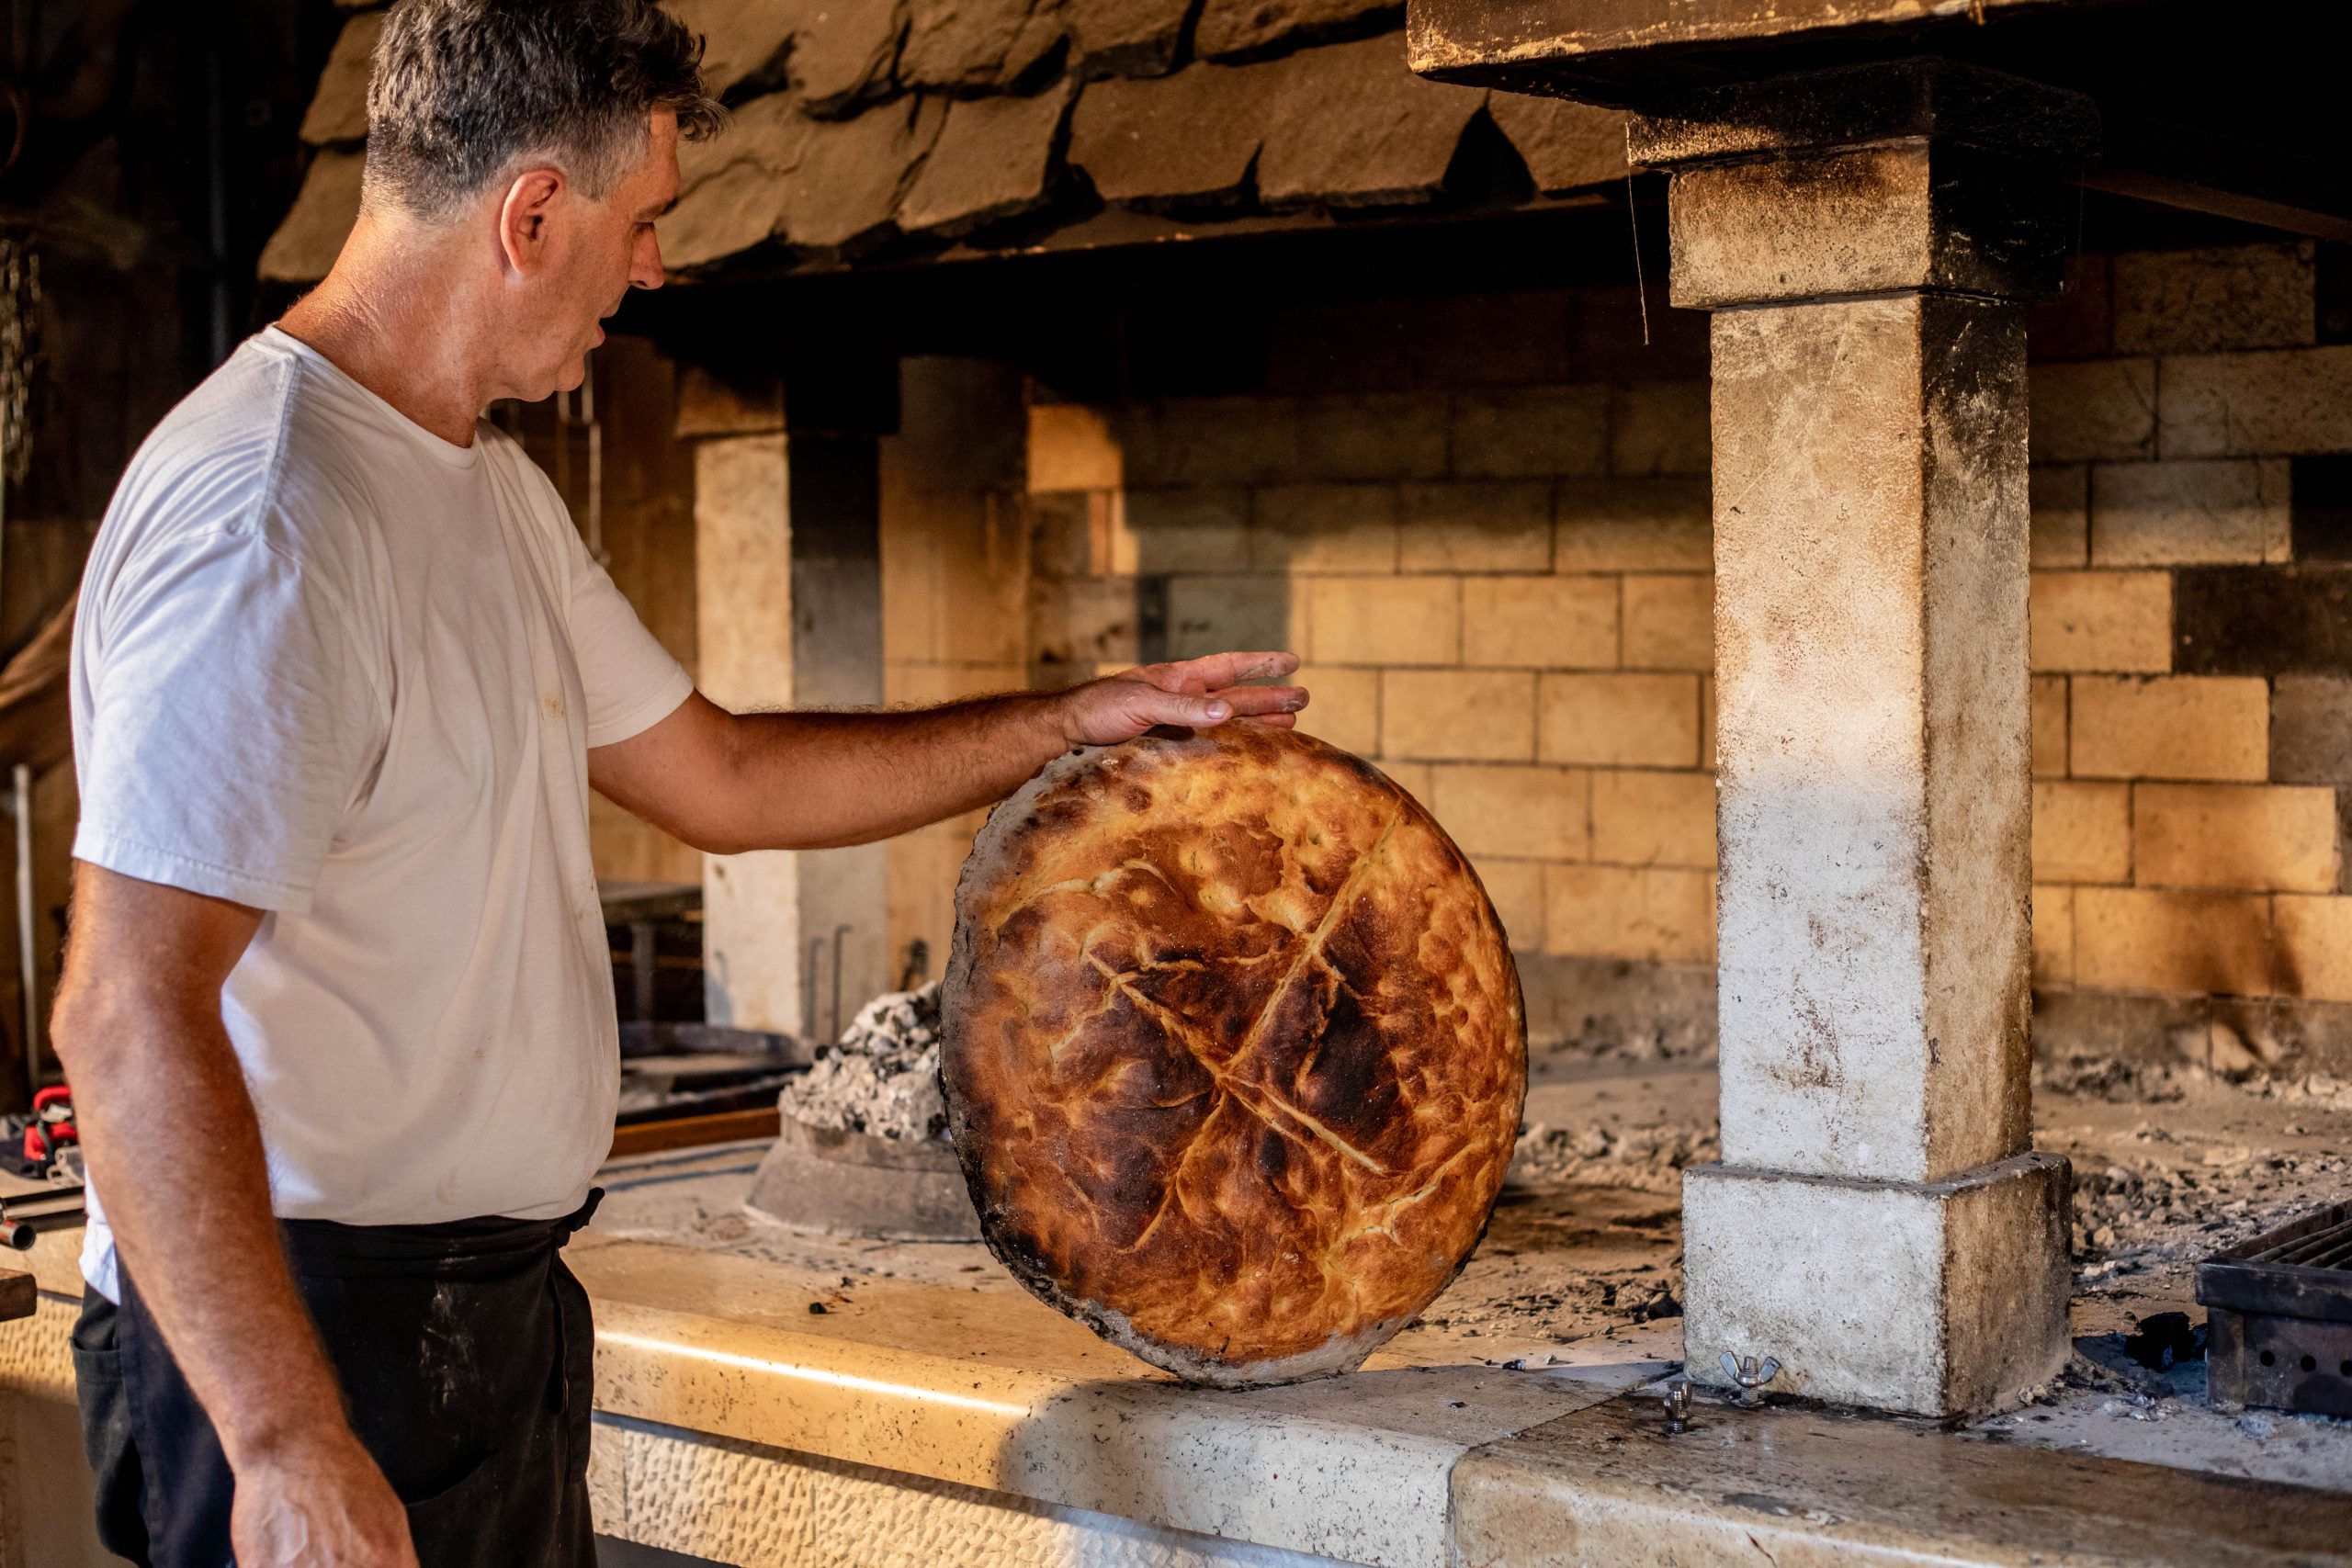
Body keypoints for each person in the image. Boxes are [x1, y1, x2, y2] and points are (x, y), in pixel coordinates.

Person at [51, 3, 1307, 1564]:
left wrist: (1070, 723)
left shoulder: (480, 486)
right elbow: (122, 1014)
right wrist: (287, 1443)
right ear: (529, 215)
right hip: (303, 1338)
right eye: (642, 223)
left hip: (475, 1323)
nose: (652, 270)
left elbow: (719, 775)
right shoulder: (271, 523)